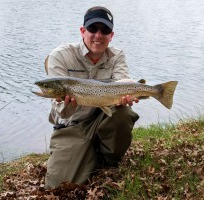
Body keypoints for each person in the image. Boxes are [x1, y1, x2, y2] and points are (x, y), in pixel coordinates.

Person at [44, 6, 140, 189]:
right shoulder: (60, 56)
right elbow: (60, 113)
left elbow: (122, 83)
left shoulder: (117, 56)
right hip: (73, 124)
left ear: (111, 35)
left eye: (105, 30)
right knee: (58, 186)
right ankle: (87, 152)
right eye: (93, 28)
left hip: (104, 118)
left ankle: (109, 159)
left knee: (124, 113)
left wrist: (127, 96)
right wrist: (68, 104)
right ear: (82, 31)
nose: (98, 34)